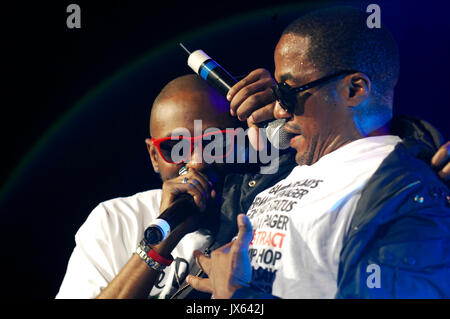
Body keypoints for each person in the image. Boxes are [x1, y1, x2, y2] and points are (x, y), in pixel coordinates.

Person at [187, 6, 450, 299]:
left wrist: (236, 297)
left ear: (355, 89)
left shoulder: (407, 194)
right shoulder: (286, 169)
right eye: (277, 94)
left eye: (287, 93)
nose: (277, 109)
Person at [56, 74, 246, 298]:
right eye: (176, 147)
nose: (197, 161)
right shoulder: (114, 221)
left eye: (215, 143)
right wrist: (157, 246)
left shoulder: (268, 209)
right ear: (154, 156)